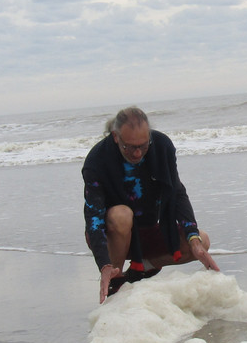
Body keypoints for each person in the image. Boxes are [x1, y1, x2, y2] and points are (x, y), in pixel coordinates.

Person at [83, 106, 219, 303]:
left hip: (147, 231)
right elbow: (93, 217)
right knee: (122, 215)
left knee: (201, 241)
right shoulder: (97, 160)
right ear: (115, 137)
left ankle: (143, 267)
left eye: (143, 146)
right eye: (129, 147)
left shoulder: (162, 146)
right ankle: (115, 279)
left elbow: (177, 193)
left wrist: (193, 239)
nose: (138, 154)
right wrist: (104, 264)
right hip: (111, 235)